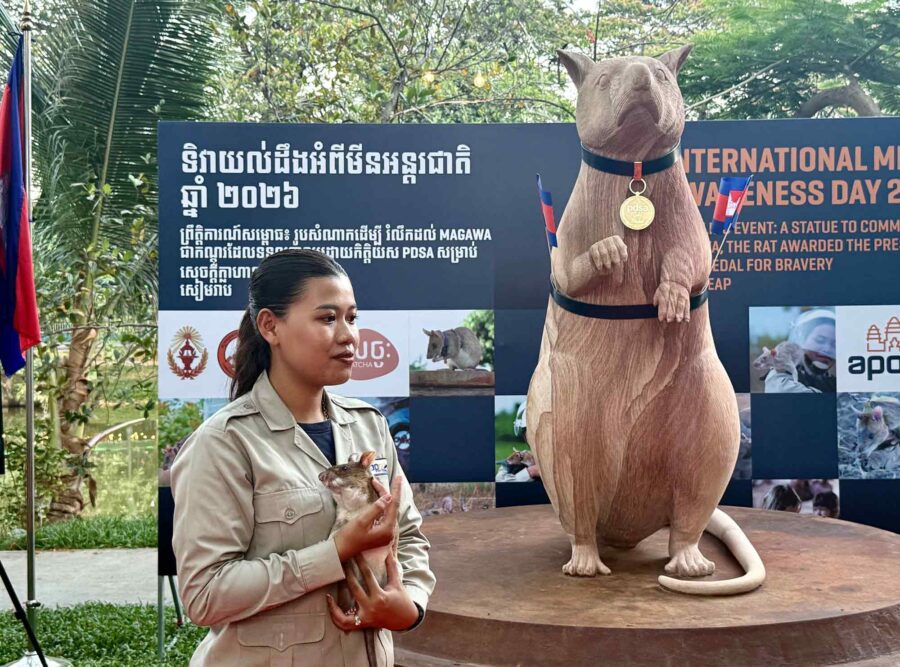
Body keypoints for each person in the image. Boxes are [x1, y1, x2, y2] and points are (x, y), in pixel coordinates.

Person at [171, 249, 435, 666]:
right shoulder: (225, 444)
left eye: (352, 317)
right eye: (328, 318)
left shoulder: (370, 427)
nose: (348, 335)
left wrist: (410, 605)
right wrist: (334, 553)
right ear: (270, 326)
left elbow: (409, 538)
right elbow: (205, 596)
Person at [765, 309, 836, 393]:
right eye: (819, 340)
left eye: (834, 344)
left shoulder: (829, 381)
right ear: (801, 340)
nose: (827, 349)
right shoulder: (780, 378)